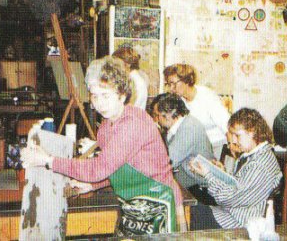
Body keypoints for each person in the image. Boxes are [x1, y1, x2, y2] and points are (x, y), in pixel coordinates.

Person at [21, 57, 185, 235]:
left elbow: (99, 168)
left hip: (159, 204)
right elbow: (118, 167)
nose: (99, 102)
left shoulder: (133, 124)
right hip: (132, 207)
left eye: (106, 95)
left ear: (122, 95)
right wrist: (93, 185)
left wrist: (47, 160)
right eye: (95, 95)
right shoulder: (106, 127)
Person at [188, 108, 283, 230]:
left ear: (253, 132)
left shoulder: (259, 165)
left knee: (188, 214)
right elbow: (238, 185)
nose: (233, 140)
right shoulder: (255, 154)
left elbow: (228, 198)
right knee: (191, 209)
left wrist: (208, 175)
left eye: (237, 135)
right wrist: (221, 173)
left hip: (239, 222)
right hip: (233, 213)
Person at [163, 64, 230, 159]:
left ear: (186, 80)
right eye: (169, 84)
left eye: (174, 83)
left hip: (216, 146)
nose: (171, 88)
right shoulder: (180, 100)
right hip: (196, 146)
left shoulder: (207, 96)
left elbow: (227, 126)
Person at [150, 93, 214, 192]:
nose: (156, 120)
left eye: (156, 115)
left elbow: (167, 161)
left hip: (199, 186)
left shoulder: (189, 127)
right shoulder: (179, 125)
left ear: (167, 115)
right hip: (186, 178)